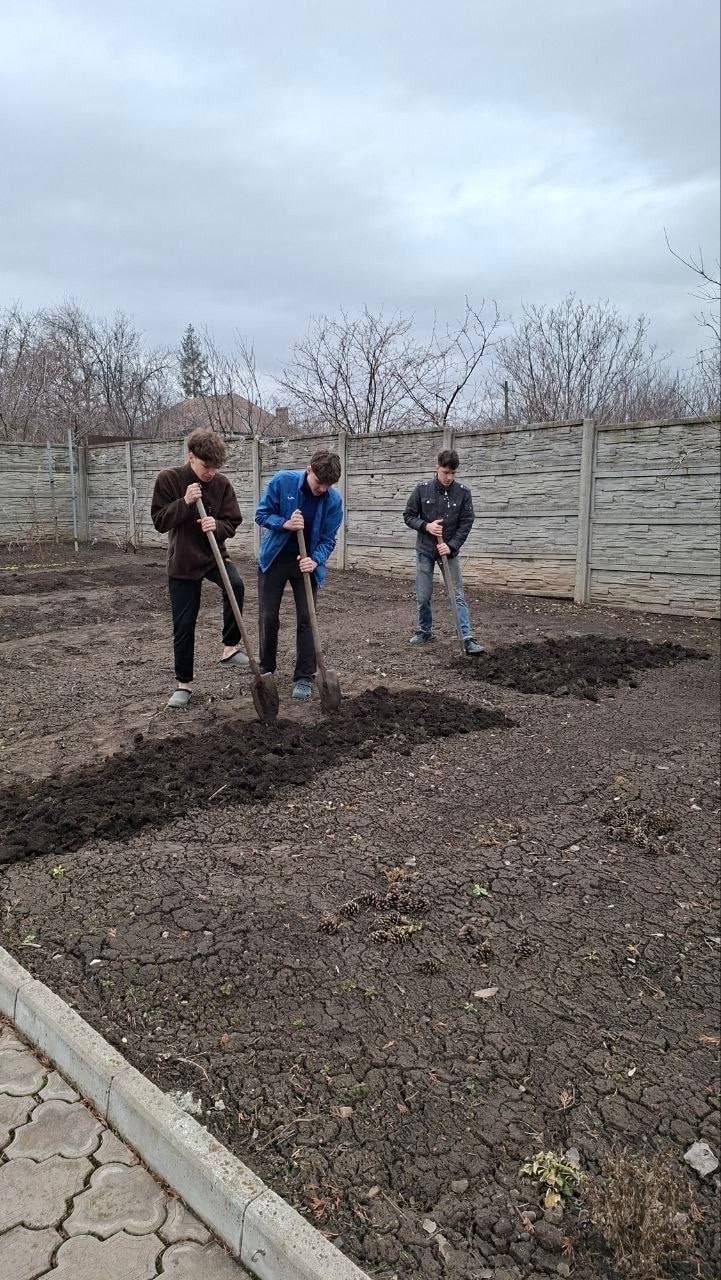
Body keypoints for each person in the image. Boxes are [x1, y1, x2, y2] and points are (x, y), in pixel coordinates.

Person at [151, 428, 249, 708]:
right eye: (207, 467)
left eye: (216, 467)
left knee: (236, 586)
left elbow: (233, 521)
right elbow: (159, 521)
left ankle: (230, 648)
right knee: (184, 623)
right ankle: (184, 685)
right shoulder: (169, 479)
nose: (212, 473)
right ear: (191, 457)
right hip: (183, 561)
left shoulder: (221, 484)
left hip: (214, 555)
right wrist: (185, 502)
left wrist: (216, 526)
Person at [255, 448, 343, 700]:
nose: (323, 489)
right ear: (309, 470)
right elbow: (261, 514)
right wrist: (285, 523)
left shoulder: (333, 501)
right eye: (319, 483)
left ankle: (304, 676)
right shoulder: (283, 481)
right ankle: (266, 669)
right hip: (275, 558)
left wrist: (315, 561)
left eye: (328, 485)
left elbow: (328, 539)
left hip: (305, 562)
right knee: (269, 615)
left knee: (307, 617)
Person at [403, 448, 484, 653]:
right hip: (425, 549)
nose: (449, 477)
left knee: (456, 594)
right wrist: (426, 526)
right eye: (445, 472)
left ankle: (466, 637)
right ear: (436, 468)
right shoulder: (422, 490)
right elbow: (408, 516)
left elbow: (467, 522)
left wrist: (451, 545)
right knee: (423, 595)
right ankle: (424, 631)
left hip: (448, 551)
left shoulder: (463, 493)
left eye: (453, 473)